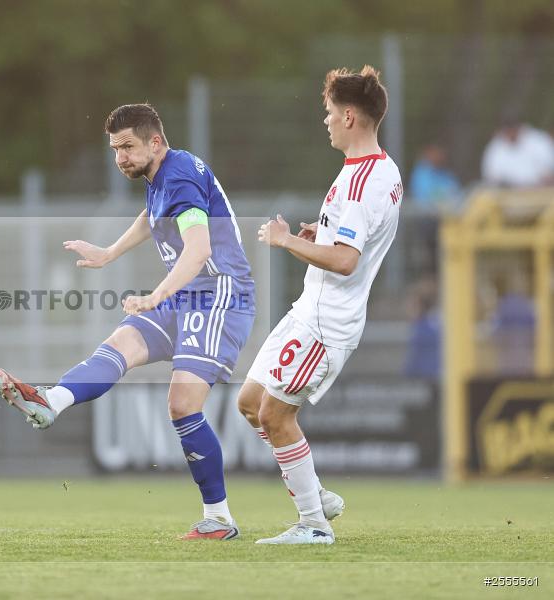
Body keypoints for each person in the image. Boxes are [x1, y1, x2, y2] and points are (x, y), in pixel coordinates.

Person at [0, 104, 321, 540]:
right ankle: (51, 402)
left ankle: (220, 519)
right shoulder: (163, 174)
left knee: (182, 404)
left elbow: (199, 249)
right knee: (120, 344)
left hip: (218, 294)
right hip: (189, 294)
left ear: (155, 141)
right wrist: (110, 253)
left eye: (127, 146)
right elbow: (152, 216)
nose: (120, 158)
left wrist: (155, 296)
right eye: (114, 149)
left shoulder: (179, 175)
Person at [237, 65, 402, 545]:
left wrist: (288, 241)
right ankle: (315, 495)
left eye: (329, 113)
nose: (325, 121)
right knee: (250, 404)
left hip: (327, 322)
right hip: (309, 308)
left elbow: (347, 262)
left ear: (349, 116)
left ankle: (313, 525)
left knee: (275, 416)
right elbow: (353, 240)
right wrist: (318, 234)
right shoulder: (380, 169)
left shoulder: (359, 185)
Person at [481, 118, 554, 188]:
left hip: (540, 190)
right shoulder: (495, 147)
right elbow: (491, 176)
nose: (511, 134)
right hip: (507, 193)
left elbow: (549, 170)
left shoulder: (539, 141)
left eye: (513, 130)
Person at [408, 144, 460, 209]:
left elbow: (455, 191)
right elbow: (424, 195)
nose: (439, 156)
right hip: (425, 215)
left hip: (446, 212)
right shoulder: (422, 172)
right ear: (428, 153)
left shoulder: (443, 172)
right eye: (435, 153)